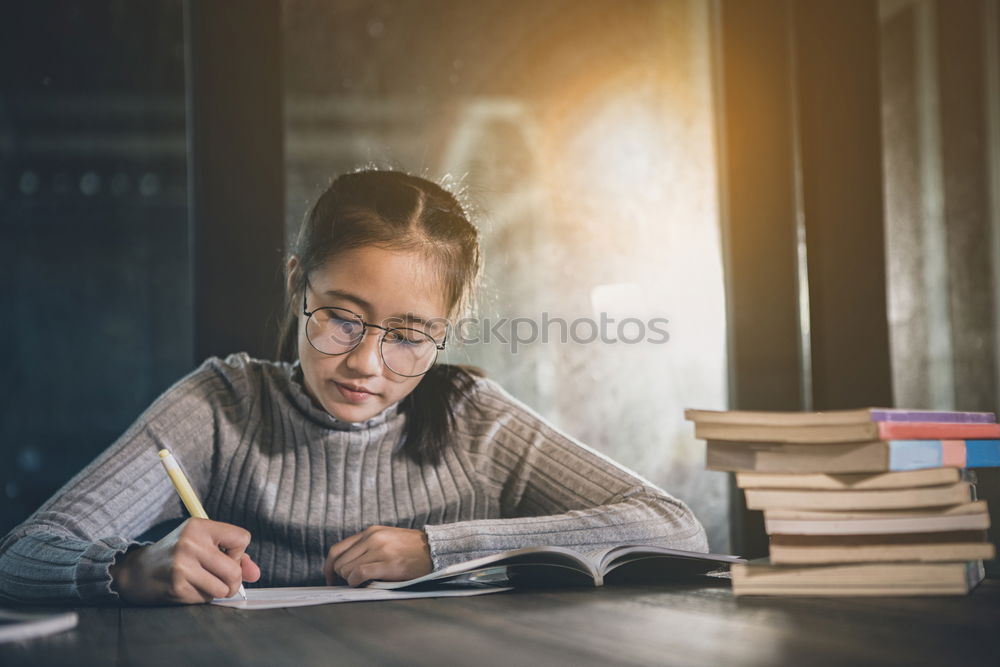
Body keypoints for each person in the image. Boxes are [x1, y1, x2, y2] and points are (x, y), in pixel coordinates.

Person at [0, 169, 708, 605]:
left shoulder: (474, 421)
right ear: (295, 283)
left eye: (407, 335)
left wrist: (438, 547)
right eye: (342, 318)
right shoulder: (223, 405)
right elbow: (24, 556)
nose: (366, 363)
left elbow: (673, 527)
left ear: (446, 331)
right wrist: (130, 569)